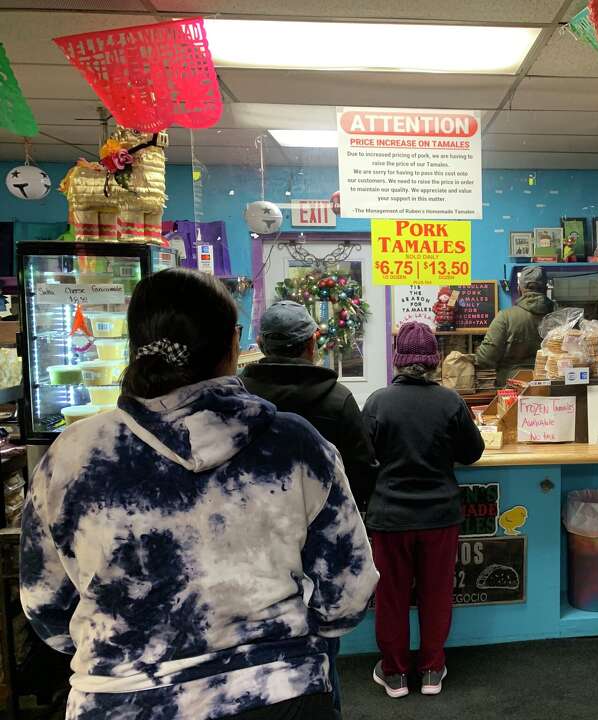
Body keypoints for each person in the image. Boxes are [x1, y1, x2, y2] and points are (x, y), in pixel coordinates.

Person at [19, 268, 378, 720]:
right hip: (278, 690)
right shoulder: (293, 445)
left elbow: (45, 604)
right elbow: (348, 592)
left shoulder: (71, 457)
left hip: (123, 699)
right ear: (233, 344)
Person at [361, 322, 485, 699]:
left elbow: (364, 457)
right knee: (436, 594)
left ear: (398, 361)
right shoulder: (451, 402)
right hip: (439, 517)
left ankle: (396, 674)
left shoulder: (378, 402)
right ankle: (432, 669)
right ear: (433, 362)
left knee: (392, 597)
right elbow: (472, 452)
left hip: (390, 517)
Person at [241, 300, 378, 510]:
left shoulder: (238, 396)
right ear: (312, 344)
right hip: (325, 524)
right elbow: (362, 472)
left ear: (260, 344)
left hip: (252, 522)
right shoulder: (338, 400)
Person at [475, 265, 556, 385]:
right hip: (552, 385)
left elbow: (485, 358)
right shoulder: (562, 317)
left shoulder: (506, 317)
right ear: (546, 288)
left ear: (519, 289)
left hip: (513, 387)